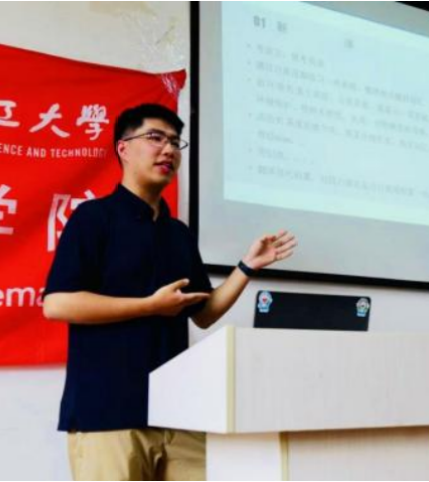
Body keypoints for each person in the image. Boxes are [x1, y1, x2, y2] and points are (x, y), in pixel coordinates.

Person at [43, 103, 296, 481]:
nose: (169, 150)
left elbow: (204, 313)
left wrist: (247, 267)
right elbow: (57, 304)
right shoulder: (93, 218)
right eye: (155, 138)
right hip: (107, 414)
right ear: (123, 148)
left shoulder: (178, 233)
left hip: (178, 413)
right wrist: (149, 306)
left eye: (176, 142)